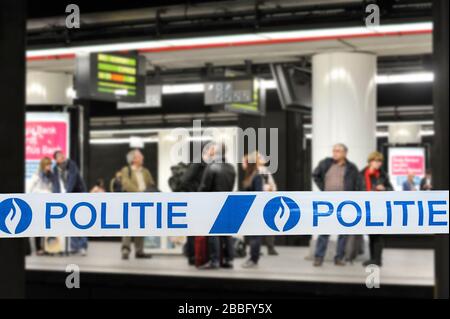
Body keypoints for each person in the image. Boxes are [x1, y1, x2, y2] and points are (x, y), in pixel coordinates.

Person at [312, 143, 361, 267]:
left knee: (343, 232)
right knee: (324, 231)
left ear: (345, 153)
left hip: (345, 203)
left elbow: (358, 184)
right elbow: (315, 175)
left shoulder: (351, 167)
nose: (335, 153)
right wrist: (323, 188)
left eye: (338, 151)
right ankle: (319, 257)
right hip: (328, 202)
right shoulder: (326, 163)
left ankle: (339, 257)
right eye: (334, 151)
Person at [198, 142, 236, 269]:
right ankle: (229, 259)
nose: (210, 151)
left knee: (213, 232)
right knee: (226, 233)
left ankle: (214, 261)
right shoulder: (231, 168)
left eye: (212, 150)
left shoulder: (212, 167)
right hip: (227, 201)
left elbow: (204, 187)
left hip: (213, 202)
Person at [120, 149, 156, 260]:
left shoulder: (145, 171)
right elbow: (126, 183)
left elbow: (151, 184)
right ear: (134, 159)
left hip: (144, 201)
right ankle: (125, 250)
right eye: (140, 156)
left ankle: (139, 251)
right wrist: (140, 193)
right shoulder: (126, 170)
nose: (142, 158)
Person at [52, 151, 88, 256]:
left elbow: (72, 180)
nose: (62, 157)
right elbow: (56, 184)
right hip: (67, 197)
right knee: (70, 222)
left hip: (78, 195)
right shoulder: (55, 169)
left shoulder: (71, 165)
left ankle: (82, 246)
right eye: (59, 156)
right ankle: (75, 246)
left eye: (62, 155)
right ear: (56, 160)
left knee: (80, 222)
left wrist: (66, 195)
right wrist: (56, 197)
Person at [360, 151, 393, 267]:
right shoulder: (361, 174)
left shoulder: (383, 175)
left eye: (380, 161)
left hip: (379, 207)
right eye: (376, 161)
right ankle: (373, 258)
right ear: (370, 161)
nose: (378, 163)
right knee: (371, 234)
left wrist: (384, 189)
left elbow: (391, 189)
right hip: (366, 207)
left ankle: (378, 260)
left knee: (378, 235)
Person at [177, 153, 208, 266]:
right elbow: (185, 180)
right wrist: (196, 190)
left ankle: (197, 256)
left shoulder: (204, 165)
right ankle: (193, 256)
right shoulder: (197, 164)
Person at [241, 152, 264, 268]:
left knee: (255, 236)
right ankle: (252, 257)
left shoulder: (257, 176)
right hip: (249, 210)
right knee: (252, 236)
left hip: (254, 211)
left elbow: (258, 195)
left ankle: (253, 259)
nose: (242, 164)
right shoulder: (250, 176)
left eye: (245, 162)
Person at [27, 156, 54, 256]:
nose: (49, 166)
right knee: (38, 226)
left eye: (50, 164)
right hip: (37, 202)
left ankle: (46, 247)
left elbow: (53, 188)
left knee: (46, 226)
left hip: (47, 203)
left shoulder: (52, 176)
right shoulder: (36, 175)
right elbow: (30, 189)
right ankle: (38, 248)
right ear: (43, 165)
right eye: (48, 164)